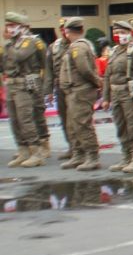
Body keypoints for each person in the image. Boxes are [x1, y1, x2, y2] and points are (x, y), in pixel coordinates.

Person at [4, 11, 51, 167]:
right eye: (8, 25)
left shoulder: (30, 42)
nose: (9, 29)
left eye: (13, 25)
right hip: (11, 84)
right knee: (14, 120)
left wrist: (45, 85)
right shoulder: (10, 44)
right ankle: (23, 150)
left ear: (23, 27)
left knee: (27, 118)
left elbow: (20, 57)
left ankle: (37, 151)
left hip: (27, 84)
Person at [102, 20, 133, 175]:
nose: (118, 36)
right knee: (121, 125)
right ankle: (126, 156)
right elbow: (108, 75)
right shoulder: (114, 51)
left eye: (122, 33)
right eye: (116, 33)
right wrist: (106, 97)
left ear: (129, 33)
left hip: (130, 94)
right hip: (115, 94)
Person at [57, 17, 102, 171]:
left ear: (68, 32)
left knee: (82, 124)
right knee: (72, 125)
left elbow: (84, 70)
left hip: (80, 91)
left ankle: (92, 156)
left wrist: (97, 82)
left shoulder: (78, 48)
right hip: (73, 91)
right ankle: (78, 154)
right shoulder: (75, 47)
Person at [47, 18, 72, 160]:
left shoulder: (80, 44)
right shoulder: (53, 47)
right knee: (64, 118)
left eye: (67, 28)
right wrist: (49, 91)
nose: (64, 31)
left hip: (75, 87)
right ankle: (71, 147)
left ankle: (83, 148)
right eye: (62, 28)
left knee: (77, 118)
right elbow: (49, 71)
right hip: (59, 87)